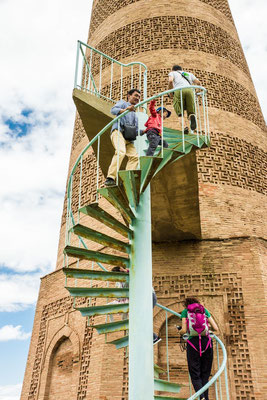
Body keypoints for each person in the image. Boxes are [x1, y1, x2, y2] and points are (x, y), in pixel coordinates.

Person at [179, 297, 218, 400]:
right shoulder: (204, 310)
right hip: (206, 343)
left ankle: (201, 397)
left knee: (195, 373)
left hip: (193, 344)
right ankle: (206, 397)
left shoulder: (185, 312)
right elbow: (216, 328)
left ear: (186, 304)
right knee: (205, 373)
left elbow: (183, 330)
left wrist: (180, 331)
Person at [105, 89, 141, 186]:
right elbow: (113, 110)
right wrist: (125, 110)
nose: (137, 98)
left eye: (139, 97)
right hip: (118, 132)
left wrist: (144, 131)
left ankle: (126, 180)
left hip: (128, 139)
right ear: (129, 96)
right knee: (121, 152)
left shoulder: (135, 115)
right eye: (136, 95)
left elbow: (135, 130)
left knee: (135, 157)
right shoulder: (123, 103)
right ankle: (110, 178)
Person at [168, 65, 201, 133]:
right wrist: (196, 91)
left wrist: (171, 92)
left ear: (173, 70)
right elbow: (198, 83)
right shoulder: (189, 74)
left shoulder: (173, 73)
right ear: (181, 69)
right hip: (190, 90)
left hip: (179, 90)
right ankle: (191, 116)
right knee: (191, 111)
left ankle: (185, 127)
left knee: (180, 113)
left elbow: (170, 81)